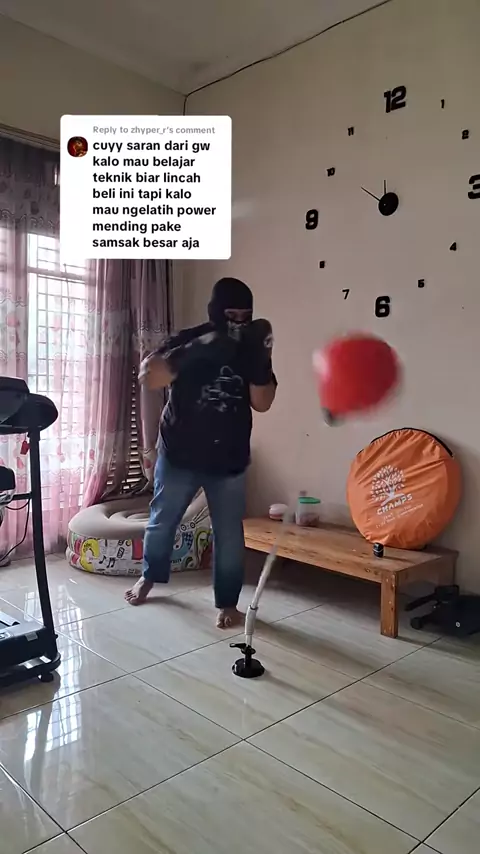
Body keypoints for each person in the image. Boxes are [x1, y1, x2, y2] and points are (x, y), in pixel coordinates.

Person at [125, 277, 277, 627]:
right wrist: (193, 351)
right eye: (231, 315)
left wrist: (262, 362)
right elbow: (149, 376)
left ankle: (228, 602)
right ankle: (150, 576)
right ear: (216, 312)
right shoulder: (190, 338)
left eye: (245, 316)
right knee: (162, 519)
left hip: (229, 457)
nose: (238, 323)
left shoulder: (249, 347)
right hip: (180, 452)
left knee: (229, 532)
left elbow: (263, 402)